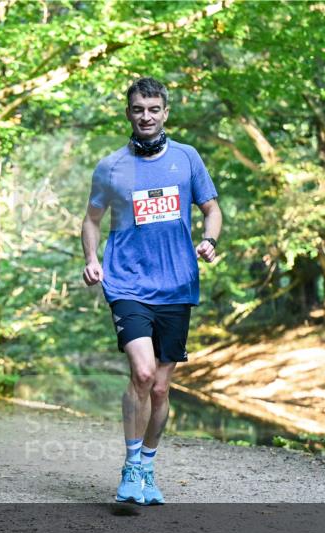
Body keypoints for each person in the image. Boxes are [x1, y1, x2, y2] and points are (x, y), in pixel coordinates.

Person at [81, 77, 222, 505]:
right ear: (129, 113)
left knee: (160, 388)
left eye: (153, 109)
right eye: (138, 109)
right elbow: (91, 220)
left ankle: (148, 464)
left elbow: (212, 209)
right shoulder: (111, 167)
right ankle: (130, 466)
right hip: (126, 282)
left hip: (177, 284)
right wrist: (92, 259)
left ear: (165, 113)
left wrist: (210, 240)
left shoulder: (187, 158)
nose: (146, 116)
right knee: (141, 374)